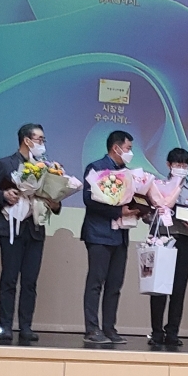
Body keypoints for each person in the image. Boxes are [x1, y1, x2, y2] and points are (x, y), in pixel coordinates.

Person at [0, 123, 61, 343]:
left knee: (30, 281)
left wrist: (55, 204)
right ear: (27, 140)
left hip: (35, 229)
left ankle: (26, 326)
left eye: (43, 140)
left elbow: (53, 198)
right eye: (39, 139)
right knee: (9, 279)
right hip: (11, 228)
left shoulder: (46, 167)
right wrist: (4, 195)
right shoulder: (5, 163)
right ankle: (6, 326)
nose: (42, 143)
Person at [81, 130, 139, 345]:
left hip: (120, 235)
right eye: (128, 148)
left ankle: (109, 328)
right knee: (96, 282)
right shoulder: (96, 168)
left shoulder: (128, 173)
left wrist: (140, 209)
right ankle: (92, 328)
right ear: (116, 148)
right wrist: (117, 211)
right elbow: (89, 200)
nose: (130, 152)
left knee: (115, 285)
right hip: (99, 233)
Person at [147, 148, 188, 347]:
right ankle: (156, 332)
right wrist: (158, 211)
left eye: (185, 165)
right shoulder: (156, 186)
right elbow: (147, 216)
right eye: (178, 164)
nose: (181, 168)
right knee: (158, 288)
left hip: (184, 240)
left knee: (179, 289)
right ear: (169, 165)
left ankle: (172, 332)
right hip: (161, 239)